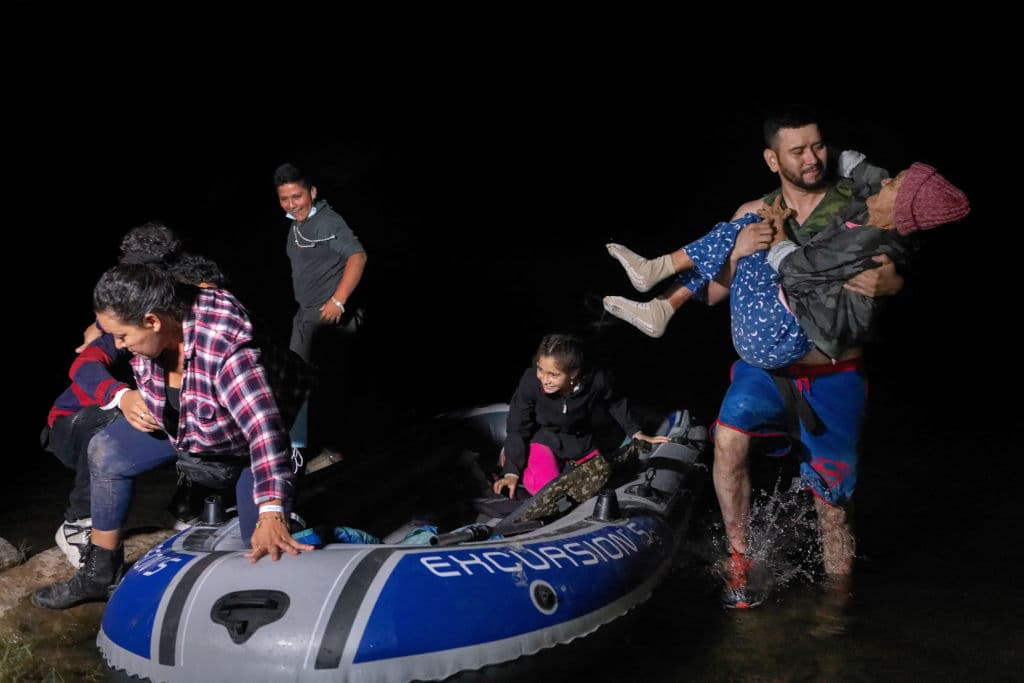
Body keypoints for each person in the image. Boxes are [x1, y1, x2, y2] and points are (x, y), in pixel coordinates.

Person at [610, 108, 909, 609]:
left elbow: (893, 252)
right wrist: (736, 251)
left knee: (833, 505)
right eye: (798, 150)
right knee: (727, 440)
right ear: (773, 159)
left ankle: (837, 606)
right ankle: (741, 563)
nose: (813, 158)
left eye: (818, 146)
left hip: (834, 372)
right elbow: (714, 294)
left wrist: (895, 280)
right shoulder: (754, 209)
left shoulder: (854, 202)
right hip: (767, 368)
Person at [32, 260, 313, 610]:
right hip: (190, 425)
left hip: (246, 444)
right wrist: (120, 388)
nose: (117, 345)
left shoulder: (227, 350)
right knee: (106, 451)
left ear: (152, 321)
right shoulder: (151, 320)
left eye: (123, 337)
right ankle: (100, 574)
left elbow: (265, 431)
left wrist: (272, 512)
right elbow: (97, 354)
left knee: (260, 545)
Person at [606, 156, 970, 366]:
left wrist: (777, 230)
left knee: (753, 224)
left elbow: (797, 268)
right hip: (781, 315)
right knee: (748, 228)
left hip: (779, 333)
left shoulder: (871, 246)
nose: (888, 178)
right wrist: (814, 152)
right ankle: (662, 300)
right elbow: (858, 165)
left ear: (901, 206)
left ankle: (660, 277)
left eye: (897, 181)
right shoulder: (872, 204)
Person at [492, 333, 669, 500]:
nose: (544, 379)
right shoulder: (531, 381)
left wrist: (636, 432)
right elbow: (517, 425)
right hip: (543, 438)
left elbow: (615, 402)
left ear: (574, 374)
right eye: (540, 369)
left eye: (553, 374)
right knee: (547, 491)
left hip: (581, 441)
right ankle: (513, 458)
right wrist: (511, 471)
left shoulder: (597, 380)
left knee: (600, 481)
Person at [274, 162, 367, 456]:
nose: (292, 204)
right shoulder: (298, 223)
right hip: (306, 315)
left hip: (326, 318)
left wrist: (338, 301)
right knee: (297, 383)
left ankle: (322, 450)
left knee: (317, 385)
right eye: (285, 198)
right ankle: (299, 448)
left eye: (297, 196)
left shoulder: (327, 221)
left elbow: (358, 256)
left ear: (312, 192)